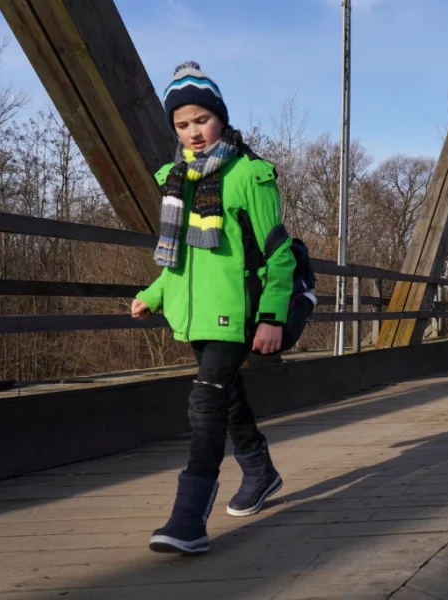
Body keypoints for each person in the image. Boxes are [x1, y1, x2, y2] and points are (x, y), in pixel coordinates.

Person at [130, 62, 295, 555]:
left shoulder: (250, 175)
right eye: (182, 124)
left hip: (234, 312)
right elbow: (183, 261)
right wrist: (154, 295)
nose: (193, 132)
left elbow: (278, 253)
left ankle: (187, 520)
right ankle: (261, 472)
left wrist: (271, 316)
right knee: (228, 396)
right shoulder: (174, 179)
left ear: (220, 117)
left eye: (201, 119)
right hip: (193, 314)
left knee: (205, 403)